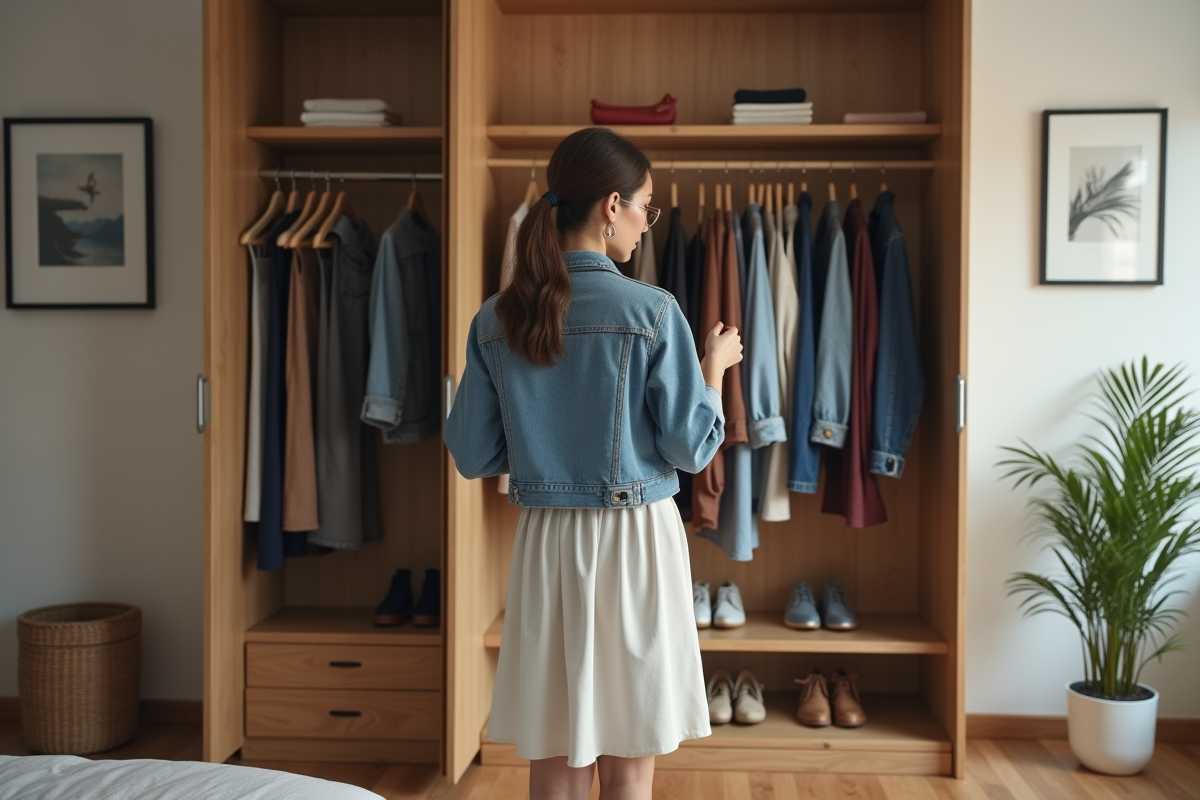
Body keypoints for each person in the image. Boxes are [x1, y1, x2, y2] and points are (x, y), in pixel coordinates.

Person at [444, 128, 743, 800]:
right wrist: (713, 370)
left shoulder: (495, 319)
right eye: (646, 206)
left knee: (558, 745)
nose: (645, 222)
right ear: (612, 206)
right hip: (636, 540)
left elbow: (471, 455)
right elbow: (690, 449)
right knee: (629, 747)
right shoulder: (654, 311)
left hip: (547, 543)